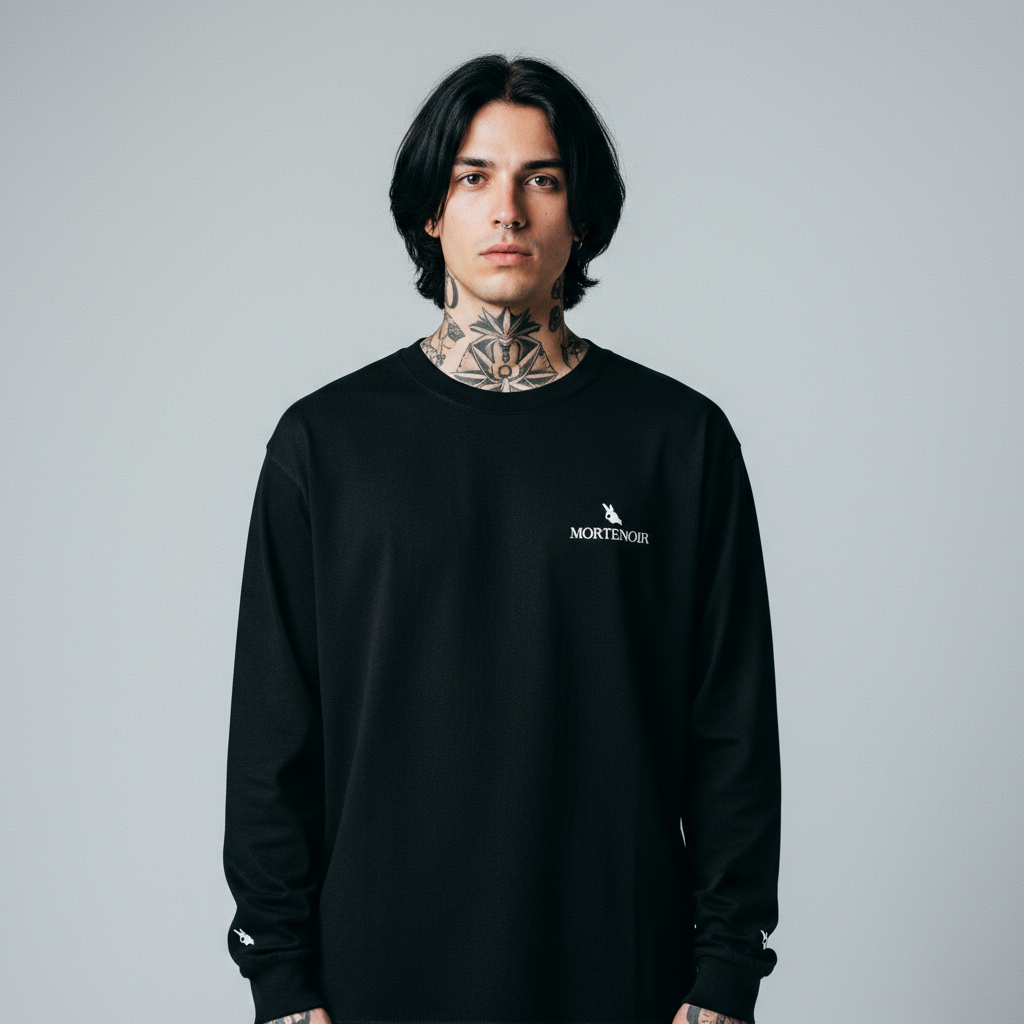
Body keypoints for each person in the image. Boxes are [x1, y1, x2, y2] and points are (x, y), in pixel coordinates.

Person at [223, 54, 781, 1024]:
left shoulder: (677, 441)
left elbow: (731, 727)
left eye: (542, 179)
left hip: (624, 978)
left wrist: (727, 971)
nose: (508, 211)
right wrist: (279, 977)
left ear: (582, 215)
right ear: (429, 212)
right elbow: (275, 736)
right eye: (472, 177)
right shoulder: (326, 445)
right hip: (374, 985)